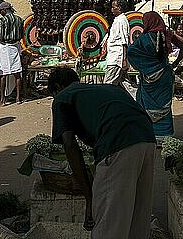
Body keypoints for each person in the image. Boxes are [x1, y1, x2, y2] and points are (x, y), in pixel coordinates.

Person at [48, 67, 155, 239]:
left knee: (108, 224)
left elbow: (69, 145)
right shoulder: (109, 88)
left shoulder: (63, 96)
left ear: (58, 87)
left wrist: (89, 197)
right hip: (147, 139)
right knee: (137, 219)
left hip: (117, 143)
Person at [127, 11, 174, 136]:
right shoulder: (167, 34)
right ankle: (166, 134)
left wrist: (144, 67)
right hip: (165, 76)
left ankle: (151, 133)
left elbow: (131, 52)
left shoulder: (143, 39)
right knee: (165, 105)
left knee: (146, 104)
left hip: (149, 78)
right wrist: (173, 65)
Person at [0, 1, 23, 105]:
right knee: (17, 73)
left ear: (4, 10)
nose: (0, 13)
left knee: (3, 73)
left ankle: (3, 99)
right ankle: (18, 98)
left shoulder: (2, 20)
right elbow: (21, 35)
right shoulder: (19, 20)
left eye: (1, 11)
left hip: (5, 48)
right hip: (15, 47)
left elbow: (0, 36)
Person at [103, 0, 130, 85]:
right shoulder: (117, 20)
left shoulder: (121, 21)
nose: (112, 9)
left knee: (108, 83)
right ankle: (136, 97)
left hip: (116, 58)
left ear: (119, 8)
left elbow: (124, 41)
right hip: (114, 57)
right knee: (125, 83)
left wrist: (124, 59)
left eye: (113, 7)